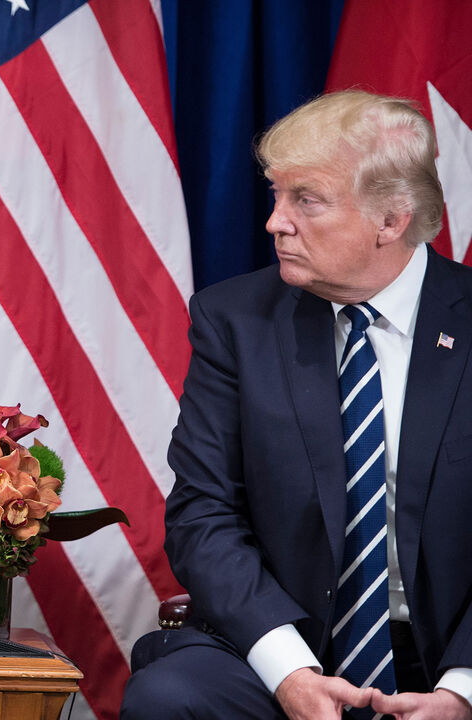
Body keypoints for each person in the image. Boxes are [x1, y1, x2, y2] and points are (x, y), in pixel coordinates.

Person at [122, 90, 472, 719]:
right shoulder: (235, 320)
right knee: (170, 697)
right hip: (282, 642)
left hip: (450, 654)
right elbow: (203, 514)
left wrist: (461, 692)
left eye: (306, 200)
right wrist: (289, 672)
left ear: (390, 221)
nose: (275, 222)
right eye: (277, 195)